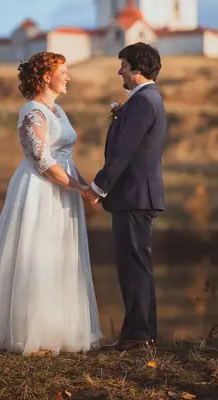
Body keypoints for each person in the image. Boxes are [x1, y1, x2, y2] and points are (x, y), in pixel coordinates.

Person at [0, 52, 101, 355]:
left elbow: (66, 157)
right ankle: (29, 335)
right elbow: (42, 160)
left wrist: (86, 185)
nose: (68, 77)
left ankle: (58, 330)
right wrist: (78, 187)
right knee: (36, 255)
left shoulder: (59, 111)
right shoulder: (32, 111)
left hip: (63, 189)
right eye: (62, 72)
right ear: (45, 77)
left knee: (60, 257)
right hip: (40, 190)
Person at [83, 42, 167, 351]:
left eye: (123, 65)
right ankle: (144, 334)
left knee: (133, 267)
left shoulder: (143, 103)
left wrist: (97, 187)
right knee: (138, 266)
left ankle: (137, 336)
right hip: (137, 196)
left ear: (137, 68)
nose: (119, 70)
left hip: (134, 196)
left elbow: (123, 152)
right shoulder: (147, 100)